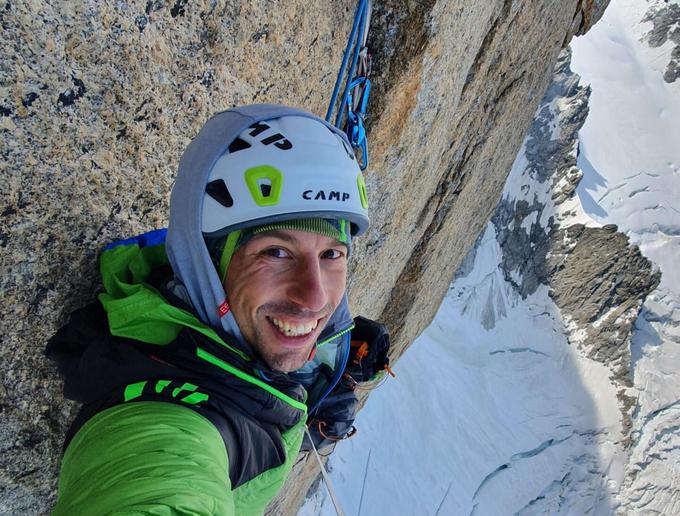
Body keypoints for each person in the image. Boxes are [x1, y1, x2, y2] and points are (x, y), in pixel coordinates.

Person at [46, 104, 390, 515]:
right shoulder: (161, 431)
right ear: (208, 265)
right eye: (276, 252)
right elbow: (159, 478)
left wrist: (312, 389)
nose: (315, 298)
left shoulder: (231, 343)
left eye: (333, 253)